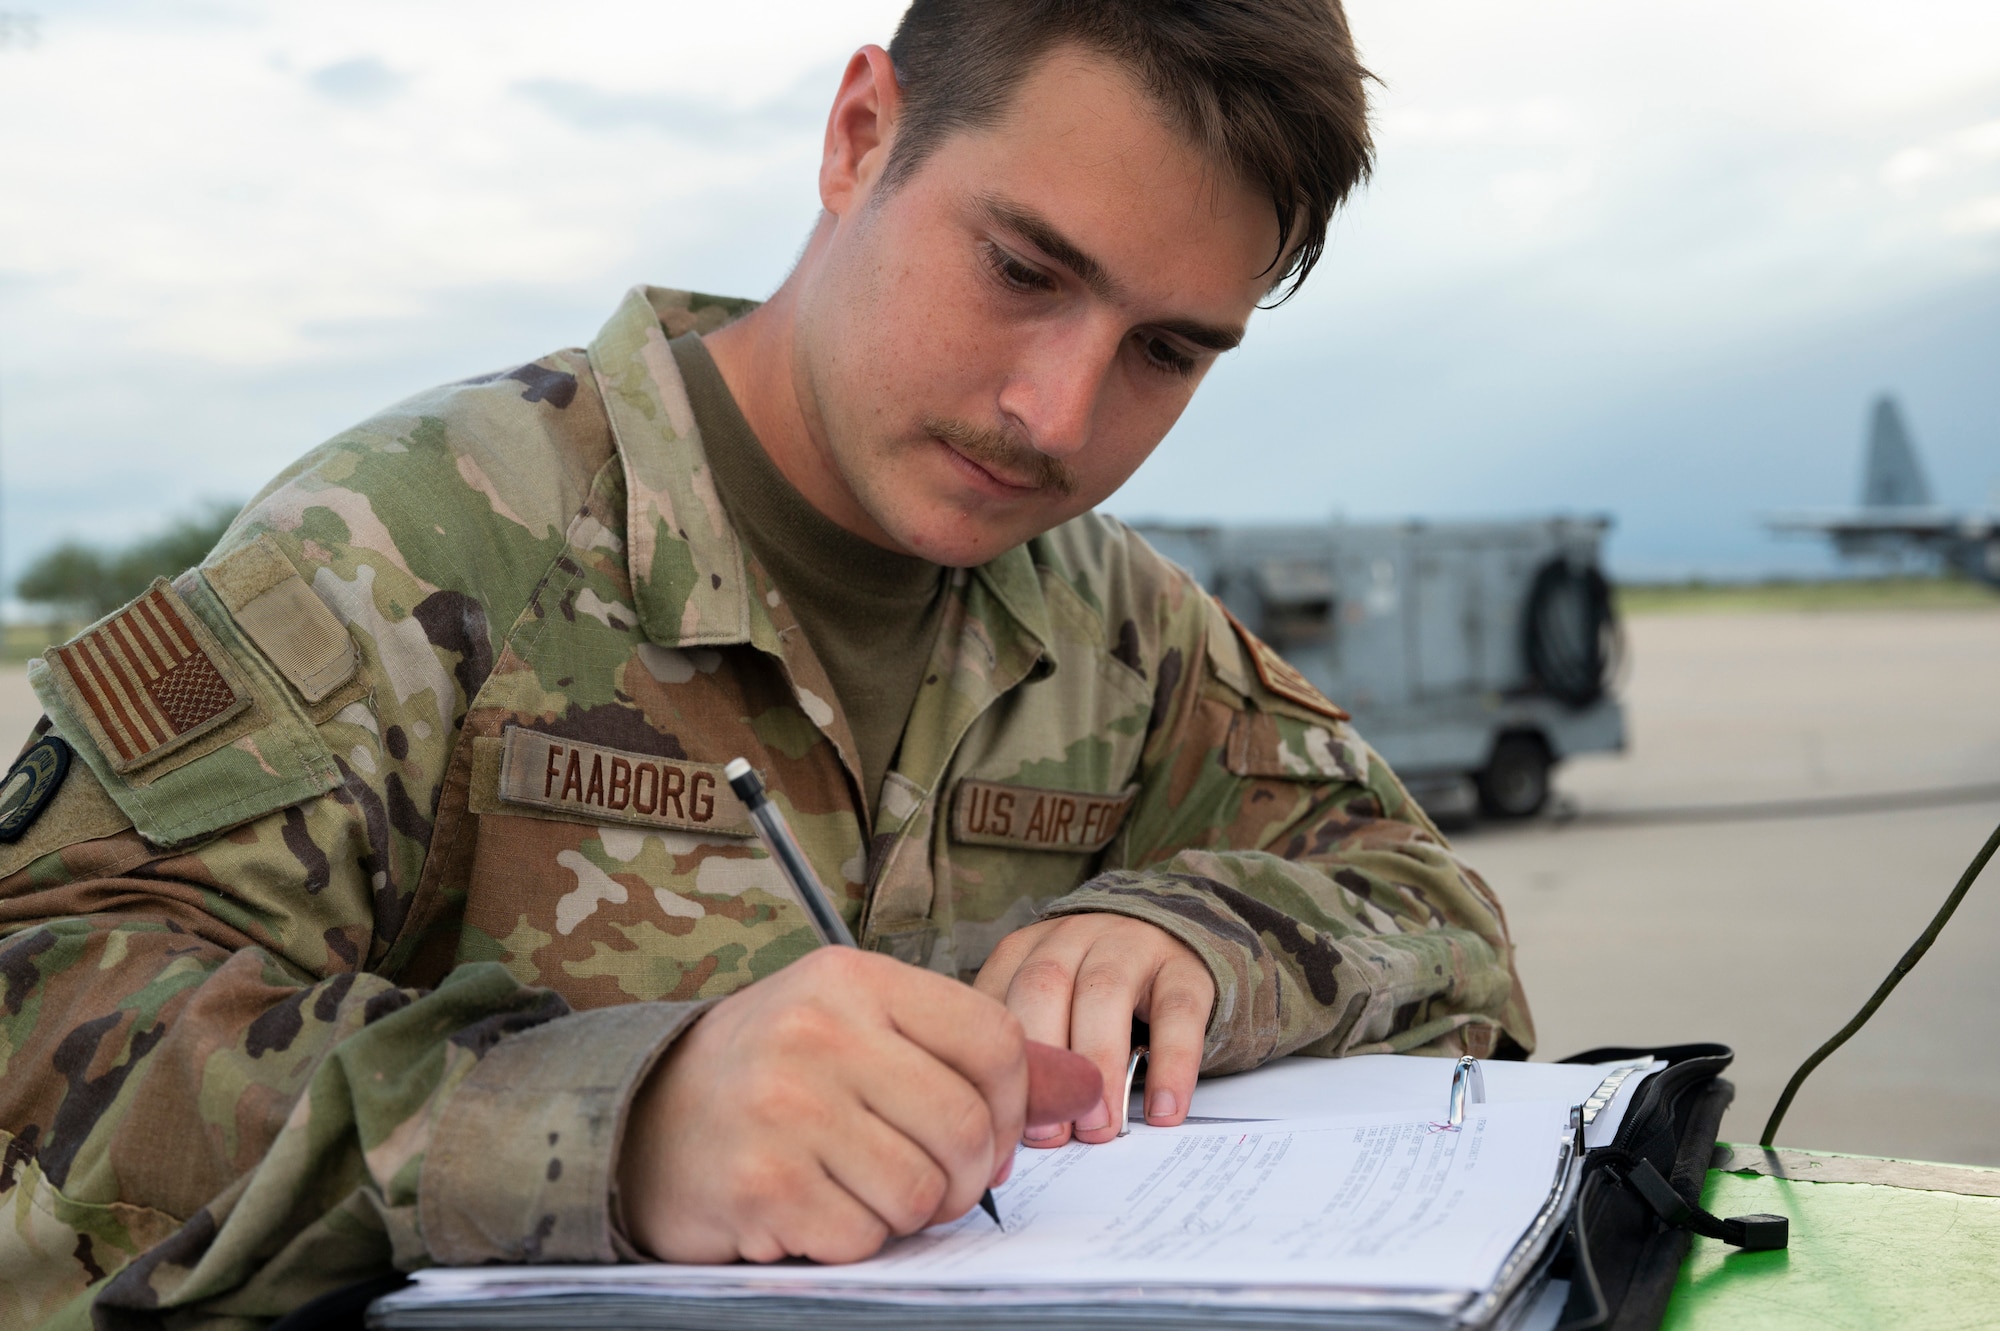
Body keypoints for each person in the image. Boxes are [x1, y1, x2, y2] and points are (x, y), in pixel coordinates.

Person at [0, 0, 1533, 1323]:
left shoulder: (1115, 624)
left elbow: (1439, 918)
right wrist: (615, 1124)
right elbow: (40, 1004)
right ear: (862, 134)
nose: (1058, 417)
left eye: (1168, 352)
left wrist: (1207, 937)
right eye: (1021, 269)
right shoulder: (410, 543)